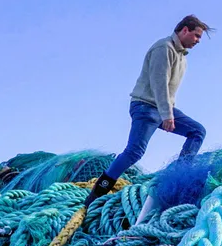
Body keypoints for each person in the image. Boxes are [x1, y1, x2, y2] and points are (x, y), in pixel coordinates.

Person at [83, 15, 211, 208]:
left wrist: (168, 111)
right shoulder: (164, 48)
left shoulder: (182, 57)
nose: (198, 41)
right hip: (146, 106)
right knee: (134, 152)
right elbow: (159, 83)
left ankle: (180, 172)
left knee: (197, 131)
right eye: (196, 35)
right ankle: (96, 193)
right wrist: (167, 114)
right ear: (185, 30)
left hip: (163, 106)